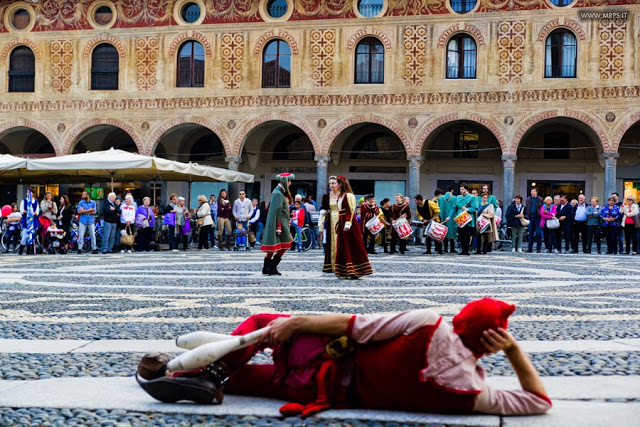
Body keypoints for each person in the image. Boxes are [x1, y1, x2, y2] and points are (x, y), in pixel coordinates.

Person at [136, 298, 551, 417]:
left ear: (462, 319)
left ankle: (208, 375)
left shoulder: (429, 324)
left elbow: (354, 326)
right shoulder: (469, 389)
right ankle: (210, 379)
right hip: (325, 393)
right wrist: (514, 352)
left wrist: (295, 323)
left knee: (265, 321)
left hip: (321, 356)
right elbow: (538, 402)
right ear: (490, 343)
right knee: (248, 383)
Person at [320, 176, 372, 279]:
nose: (335, 185)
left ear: (341, 184)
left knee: (351, 245)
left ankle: (354, 269)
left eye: (337, 183)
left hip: (348, 224)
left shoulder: (348, 195)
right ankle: (345, 269)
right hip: (341, 221)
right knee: (343, 246)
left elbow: (351, 210)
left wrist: (347, 223)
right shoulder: (341, 196)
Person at [262, 173, 295, 275]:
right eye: (289, 181)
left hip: (283, 222)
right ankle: (271, 266)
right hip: (280, 223)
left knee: (275, 245)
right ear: (285, 181)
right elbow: (277, 211)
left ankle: (267, 267)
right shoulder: (278, 193)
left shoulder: (280, 192)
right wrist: (279, 226)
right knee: (285, 244)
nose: (290, 183)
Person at [454, 183, 478, 256]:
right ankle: (462, 250)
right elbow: (455, 208)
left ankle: (466, 250)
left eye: (462, 189)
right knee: (460, 236)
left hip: (468, 220)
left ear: (466, 189)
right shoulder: (458, 197)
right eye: (460, 189)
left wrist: (467, 209)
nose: (461, 191)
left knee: (467, 236)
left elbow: (475, 208)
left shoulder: (472, 197)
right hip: (460, 219)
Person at [18, 188, 39, 255]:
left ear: (33, 193)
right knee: (25, 235)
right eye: (27, 192)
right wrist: (27, 212)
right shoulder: (24, 201)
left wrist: (33, 213)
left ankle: (29, 249)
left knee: (31, 235)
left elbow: (37, 212)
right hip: (26, 220)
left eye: (29, 192)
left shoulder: (35, 202)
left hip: (32, 220)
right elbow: (22, 210)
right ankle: (21, 248)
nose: (28, 194)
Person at [77, 190, 99, 255]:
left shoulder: (93, 202)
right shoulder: (81, 202)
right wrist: (89, 210)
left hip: (91, 221)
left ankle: (94, 248)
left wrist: (84, 211)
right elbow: (79, 211)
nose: (82, 196)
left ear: (87, 195)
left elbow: (94, 212)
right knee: (81, 235)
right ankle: (79, 248)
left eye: (83, 195)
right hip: (83, 221)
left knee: (93, 235)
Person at [438, 185, 458, 253]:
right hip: (451, 218)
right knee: (452, 232)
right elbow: (454, 208)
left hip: (442, 217)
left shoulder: (440, 198)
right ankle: (452, 248)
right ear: (452, 190)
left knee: (444, 232)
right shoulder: (454, 198)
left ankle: (445, 248)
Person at [525, 189, 543, 253]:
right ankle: (530, 248)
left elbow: (541, 208)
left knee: (538, 233)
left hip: (538, 218)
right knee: (530, 234)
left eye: (534, 192)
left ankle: (538, 249)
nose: (532, 193)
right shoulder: (528, 199)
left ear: (536, 192)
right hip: (530, 218)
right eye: (531, 192)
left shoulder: (540, 199)